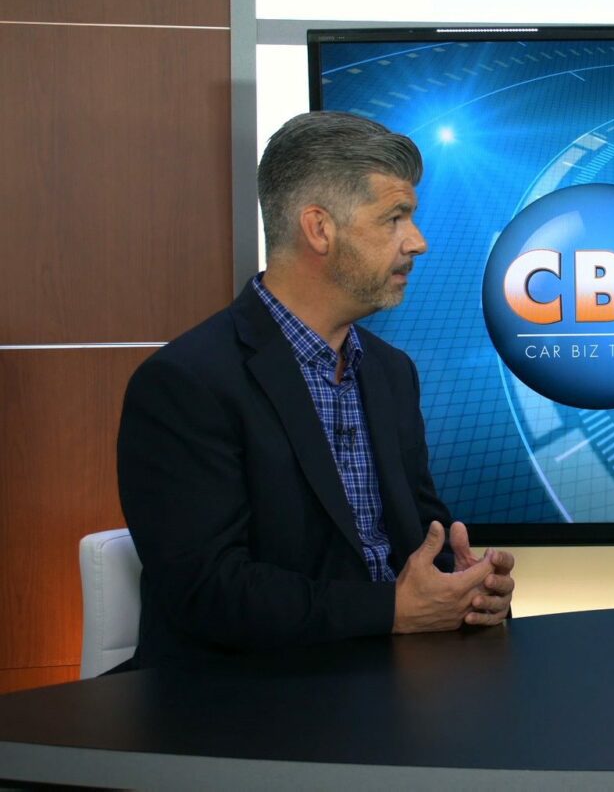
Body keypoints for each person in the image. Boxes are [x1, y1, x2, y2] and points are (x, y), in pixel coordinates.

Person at [117, 111, 514, 668]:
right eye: (395, 218)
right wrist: (392, 610)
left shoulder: (391, 371)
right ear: (319, 228)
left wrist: (467, 588)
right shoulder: (186, 383)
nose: (418, 242)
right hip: (247, 695)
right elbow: (207, 590)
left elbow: (423, 535)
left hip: (395, 681)